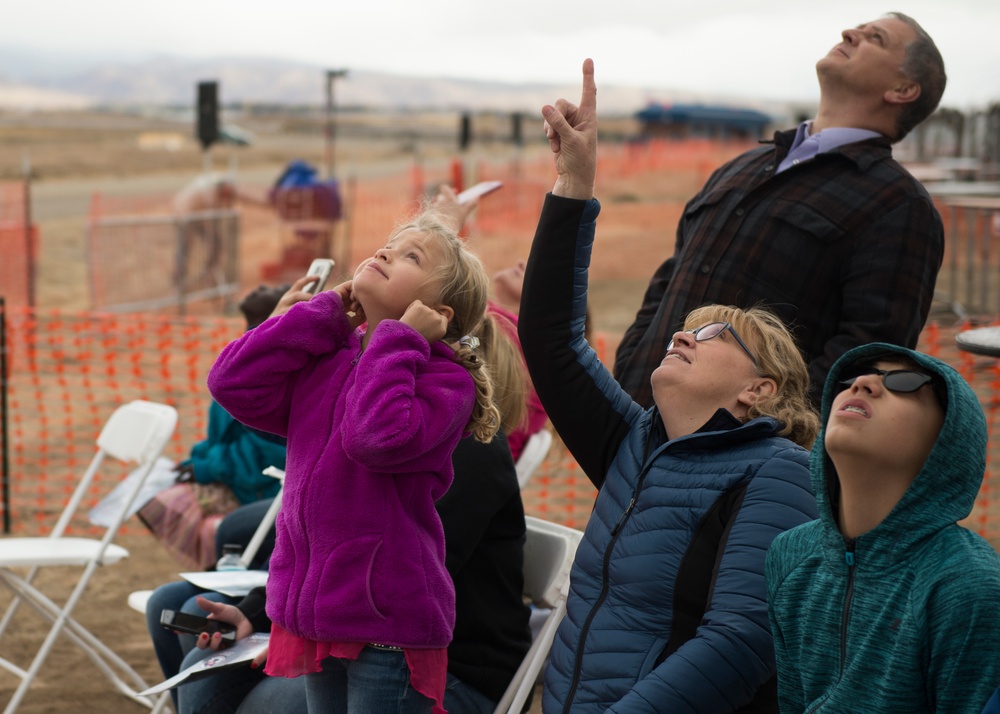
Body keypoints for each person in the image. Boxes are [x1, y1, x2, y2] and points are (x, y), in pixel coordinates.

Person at [520, 59, 820, 713]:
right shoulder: (636, 444)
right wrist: (574, 183)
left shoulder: (780, 473)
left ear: (760, 391)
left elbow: (742, 640)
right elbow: (548, 340)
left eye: (714, 337)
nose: (683, 336)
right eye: (685, 328)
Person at [206, 209, 508, 714]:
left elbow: (376, 437)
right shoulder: (331, 357)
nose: (386, 252)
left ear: (437, 311)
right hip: (317, 615)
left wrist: (397, 339)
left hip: (385, 623)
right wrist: (317, 315)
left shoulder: (442, 382)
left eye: (412, 256)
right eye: (388, 245)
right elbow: (232, 384)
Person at [613, 12, 947, 407]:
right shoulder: (741, 166)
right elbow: (667, 284)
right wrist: (630, 368)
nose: (849, 33)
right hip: (635, 425)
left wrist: (762, 438)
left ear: (903, 89)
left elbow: (863, 358)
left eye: (875, 37)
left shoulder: (900, 206)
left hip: (741, 459)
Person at [173, 431, 532, 714]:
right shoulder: (358, 420)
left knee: (261, 704)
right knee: (199, 662)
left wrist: (290, 631)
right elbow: (319, 543)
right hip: (349, 633)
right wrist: (260, 615)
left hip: (448, 666)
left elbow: (393, 577)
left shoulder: (467, 443)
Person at [766, 343, 1000, 713]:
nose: (863, 383)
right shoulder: (788, 554)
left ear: (949, 440)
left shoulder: (968, 582)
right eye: (850, 378)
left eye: (905, 382)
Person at [138, 284, 289, 570]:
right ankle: (218, 569)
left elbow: (270, 457)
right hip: (235, 482)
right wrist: (197, 460)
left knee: (177, 510)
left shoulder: (275, 372)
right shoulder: (244, 359)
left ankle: (224, 571)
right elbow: (221, 437)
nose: (267, 286)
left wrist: (207, 467)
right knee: (149, 499)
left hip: (261, 492)